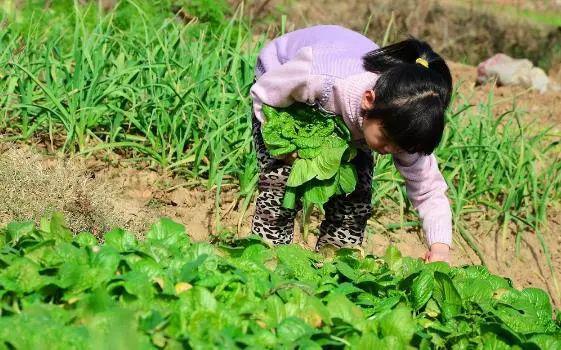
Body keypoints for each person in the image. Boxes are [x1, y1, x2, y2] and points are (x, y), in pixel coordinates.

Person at [250, 25, 453, 263]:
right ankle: (268, 257)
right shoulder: (317, 78)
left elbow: (428, 189)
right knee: (281, 182)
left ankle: (337, 265)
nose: (389, 151)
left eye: (400, 148)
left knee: (356, 193)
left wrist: (440, 248)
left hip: (353, 120)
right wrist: (284, 147)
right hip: (283, 93)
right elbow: (264, 93)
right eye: (386, 139)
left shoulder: (405, 129)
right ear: (369, 101)